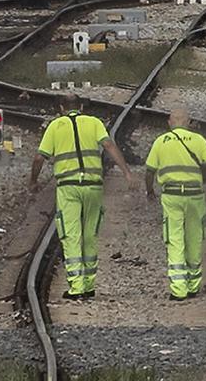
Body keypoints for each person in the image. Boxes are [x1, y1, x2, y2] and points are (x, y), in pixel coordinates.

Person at [28, 93, 136, 301]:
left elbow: (39, 157)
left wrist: (33, 180)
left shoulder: (55, 126)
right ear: (82, 108)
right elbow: (109, 145)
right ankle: (89, 284)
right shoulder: (94, 123)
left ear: (61, 108)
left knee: (71, 235)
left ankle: (76, 287)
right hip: (93, 185)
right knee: (89, 233)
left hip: (68, 187)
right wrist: (127, 172)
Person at [145, 108, 206, 301]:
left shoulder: (161, 142)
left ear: (169, 122)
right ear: (189, 122)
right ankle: (194, 285)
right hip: (195, 196)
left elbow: (149, 171)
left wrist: (150, 190)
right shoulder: (198, 140)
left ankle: (178, 290)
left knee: (175, 239)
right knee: (195, 237)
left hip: (172, 196)